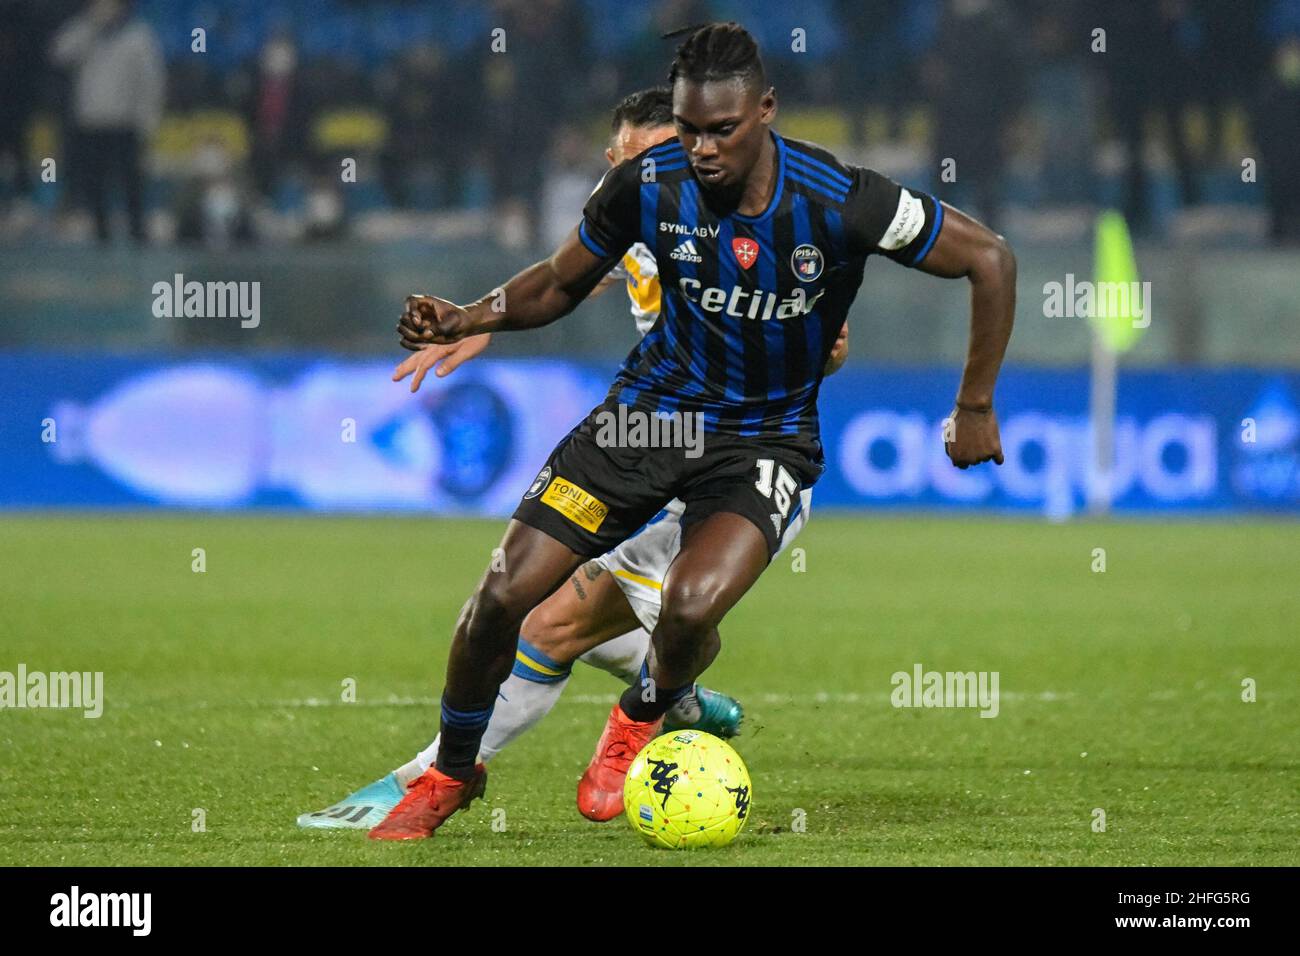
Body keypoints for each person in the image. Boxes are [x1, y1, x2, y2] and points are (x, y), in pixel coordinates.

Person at [375, 22, 1014, 841]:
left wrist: (974, 406)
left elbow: (990, 258)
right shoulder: (647, 182)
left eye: (721, 129)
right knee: (500, 598)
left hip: (763, 441)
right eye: (687, 128)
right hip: (649, 418)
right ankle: (452, 775)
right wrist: (469, 314)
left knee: (689, 609)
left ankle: (640, 716)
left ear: (766, 111)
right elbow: (562, 282)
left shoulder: (842, 198)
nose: (702, 148)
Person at [298, 88, 852, 831]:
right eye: (637, 160)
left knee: (553, 628)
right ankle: (677, 698)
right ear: (614, 160)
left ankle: (439, 774)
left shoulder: (747, 211)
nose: (658, 173)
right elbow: (575, 273)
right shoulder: (632, 198)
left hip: (737, 456)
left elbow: (832, 343)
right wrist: (486, 318)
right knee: (545, 602)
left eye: (672, 156)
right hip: (653, 443)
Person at [49, 0, 164, 243]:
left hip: (125, 122)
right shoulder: (83, 31)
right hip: (91, 121)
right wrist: (90, 26)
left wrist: (148, 121)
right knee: (95, 181)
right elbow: (59, 53)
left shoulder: (138, 36)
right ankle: (101, 233)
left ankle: (137, 232)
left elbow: (151, 82)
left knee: (130, 182)